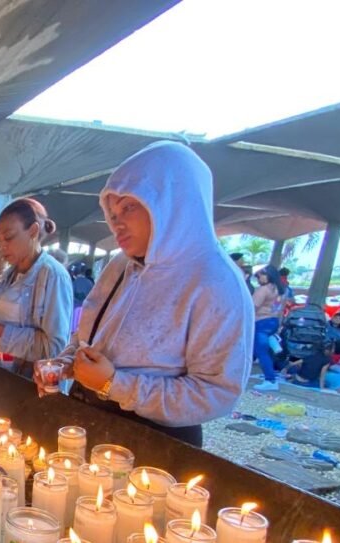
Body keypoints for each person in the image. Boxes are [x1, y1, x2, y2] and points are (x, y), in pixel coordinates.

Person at [41, 141, 252, 446]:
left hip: (156, 441)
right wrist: (64, 364)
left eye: (129, 207)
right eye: (112, 213)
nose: (116, 223)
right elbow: (88, 338)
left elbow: (215, 393)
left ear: (172, 203)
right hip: (87, 418)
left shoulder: (216, 282)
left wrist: (115, 384)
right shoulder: (121, 265)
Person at [0, 199, 72, 375]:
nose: (2, 247)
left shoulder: (52, 275)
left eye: (9, 237)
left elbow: (55, 348)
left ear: (33, 231)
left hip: (27, 383)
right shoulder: (8, 274)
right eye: (0, 240)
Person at [252, 265, 287, 391]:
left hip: (260, 321)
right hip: (273, 321)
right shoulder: (281, 290)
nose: (258, 277)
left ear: (268, 275)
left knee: (261, 352)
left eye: (260, 275)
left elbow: (252, 307)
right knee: (263, 351)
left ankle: (270, 379)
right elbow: (281, 310)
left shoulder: (263, 290)